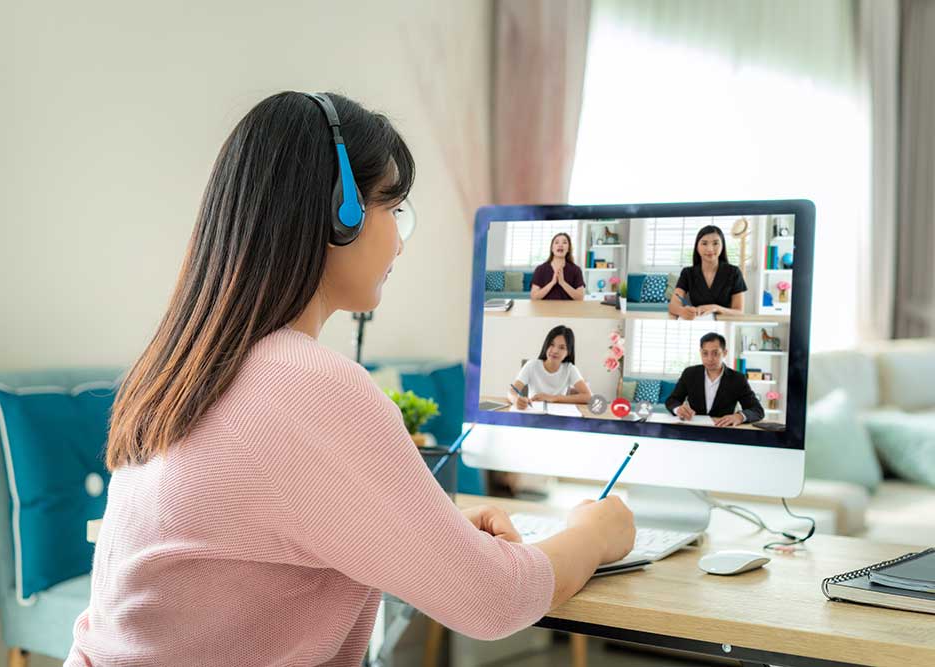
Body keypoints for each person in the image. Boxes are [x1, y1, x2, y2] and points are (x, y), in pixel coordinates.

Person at [64, 92, 635, 666]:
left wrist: (422, 530)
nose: (400, 241)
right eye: (394, 210)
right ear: (343, 214)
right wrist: (595, 533)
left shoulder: (181, 366)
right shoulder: (307, 385)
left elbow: (246, 537)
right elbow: (493, 599)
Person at [665, 332, 765, 427]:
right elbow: (672, 400)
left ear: (725, 353)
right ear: (700, 352)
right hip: (694, 427)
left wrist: (739, 416)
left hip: (723, 429)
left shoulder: (737, 379)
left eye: (715, 353)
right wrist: (678, 409)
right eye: (705, 353)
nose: (709, 358)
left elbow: (757, 410)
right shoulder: (690, 373)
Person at [669, 225, 747, 319]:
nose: (710, 249)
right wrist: (683, 311)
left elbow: (739, 312)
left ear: (722, 246)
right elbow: (673, 306)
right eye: (704, 243)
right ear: (697, 246)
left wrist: (716, 308)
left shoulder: (734, 272)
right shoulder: (687, 273)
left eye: (715, 243)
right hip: (697, 323)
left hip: (724, 324)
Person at [508, 325, 592, 409]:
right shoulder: (531, 365)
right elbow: (512, 391)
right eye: (552, 344)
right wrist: (516, 400)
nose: (555, 351)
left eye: (562, 347)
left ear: (568, 352)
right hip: (534, 413)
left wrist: (554, 398)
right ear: (546, 345)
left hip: (558, 415)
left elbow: (588, 396)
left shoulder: (570, 369)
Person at [530, 232, 585, 300]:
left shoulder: (576, 270)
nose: (560, 245)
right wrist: (552, 282)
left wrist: (563, 283)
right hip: (545, 310)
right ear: (552, 249)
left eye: (564, 242)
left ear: (568, 249)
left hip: (569, 310)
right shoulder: (540, 269)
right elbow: (534, 297)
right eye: (556, 242)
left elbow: (580, 297)